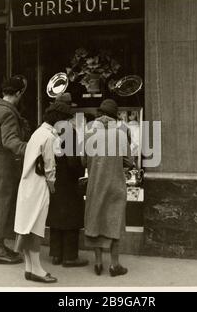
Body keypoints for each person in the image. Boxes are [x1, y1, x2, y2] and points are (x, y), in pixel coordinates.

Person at [14, 102, 73, 283]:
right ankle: (37, 269)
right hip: (39, 186)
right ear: (59, 120)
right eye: (66, 121)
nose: (67, 125)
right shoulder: (49, 137)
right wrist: (53, 185)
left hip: (27, 185)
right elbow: (49, 166)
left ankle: (29, 267)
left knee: (27, 226)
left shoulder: (38, 133)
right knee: (37, 228)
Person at [83, 99, 134, 277]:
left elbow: (83, 160)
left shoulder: (89, 132)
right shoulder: (121, 133)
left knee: (96, 219)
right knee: (114, 221)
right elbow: (129, 161)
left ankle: (98, 263)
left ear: (99, 113)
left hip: (95, 184)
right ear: (115, 115)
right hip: (115, 184)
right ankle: (114, 264)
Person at [0, 75, 28, 264]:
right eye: (21, 94)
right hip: (4, 164)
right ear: (17, 93)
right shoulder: (8, 113)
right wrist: (31, 149)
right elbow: (10, 141)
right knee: (2, 205)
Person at [46, 93, 88, 267]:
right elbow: (72, 160)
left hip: (54, 177)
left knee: (56, 215)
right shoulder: (68, 130)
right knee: (71, 217)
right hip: (68, 180)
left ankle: (56, 254)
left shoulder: (50, 127)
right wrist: (81, 170)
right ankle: (70, 256)